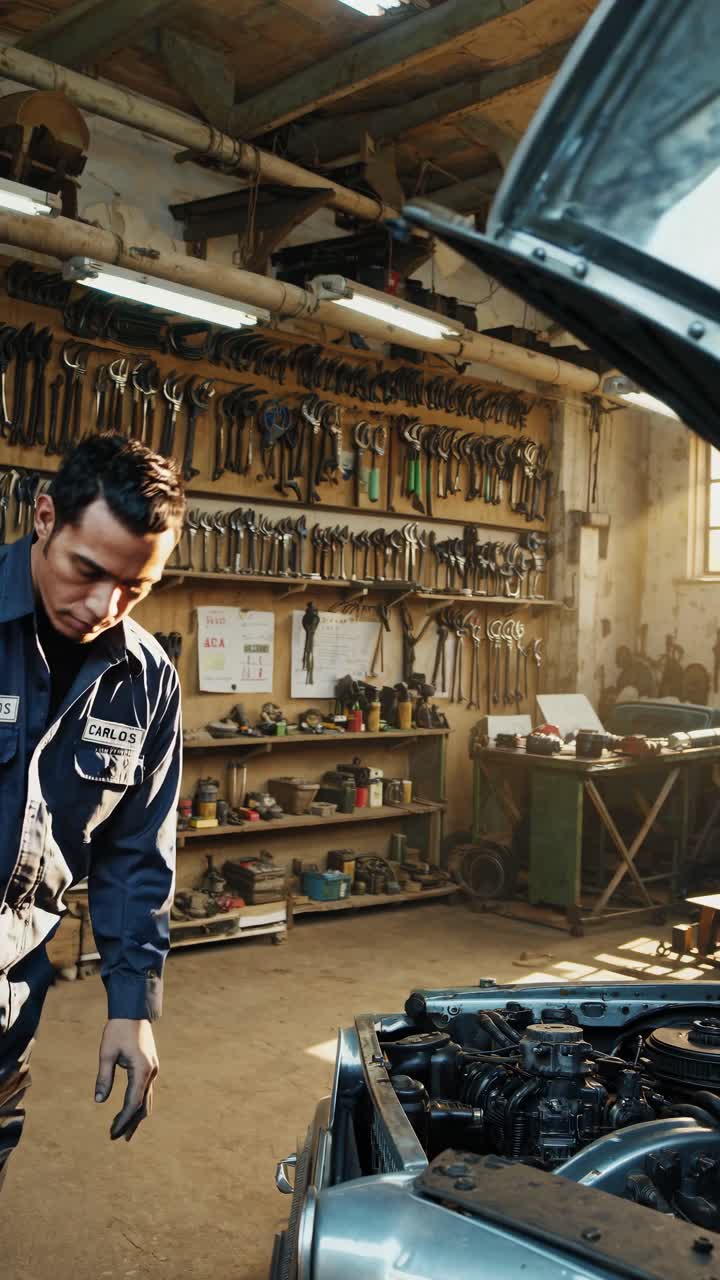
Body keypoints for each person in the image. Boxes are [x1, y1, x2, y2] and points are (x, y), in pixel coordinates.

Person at [0, 433, 186, 1187]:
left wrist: (130, 1004)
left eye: (135, 588)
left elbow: (136, 852)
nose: (104, 606)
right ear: (45, 517)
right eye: (89, 572)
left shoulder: (146, 681)